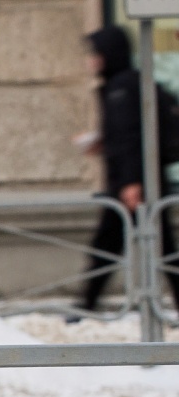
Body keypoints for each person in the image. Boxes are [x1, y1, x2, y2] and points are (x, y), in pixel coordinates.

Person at [79, 26, 179, 311]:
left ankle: (85, 307)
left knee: (113, 248)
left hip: (132, 185)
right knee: (160, 248)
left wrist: (132, 182)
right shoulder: (122, 85)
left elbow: (131, 138)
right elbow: (127, 135)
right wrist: (101, 141)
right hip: (136, 181)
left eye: (95, 54)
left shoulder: (122, 88)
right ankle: (86, 305)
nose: (90, 60)